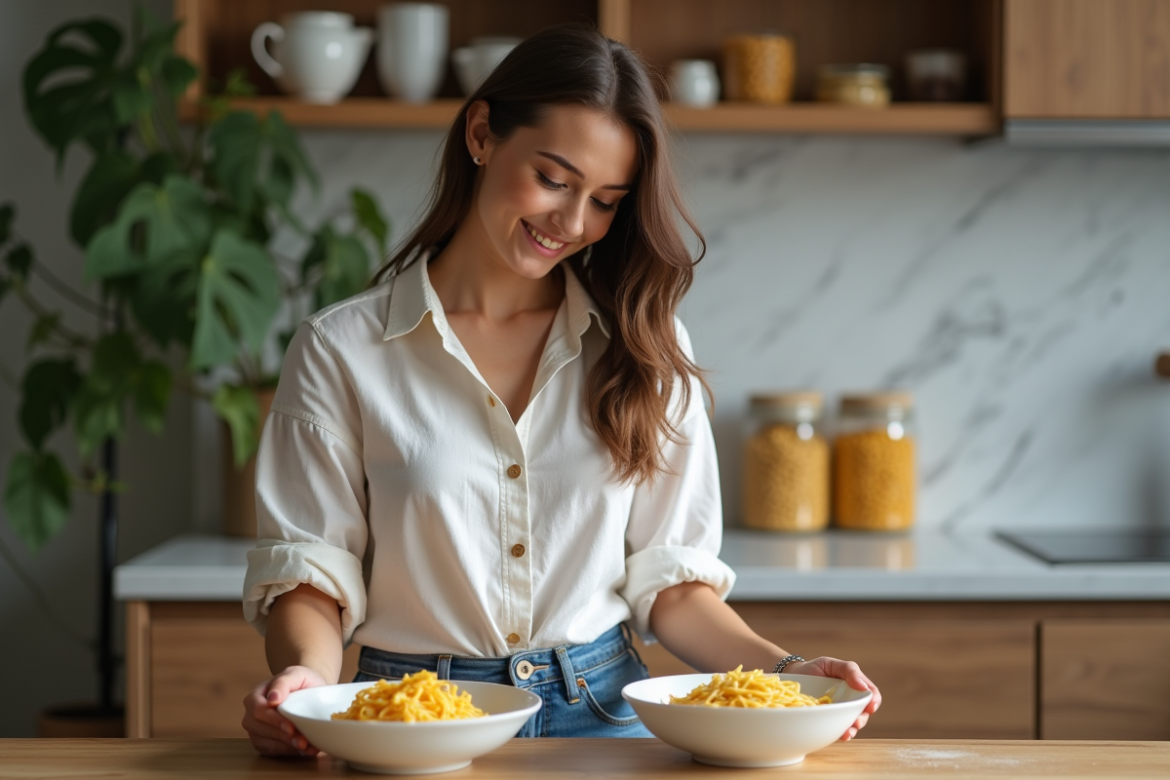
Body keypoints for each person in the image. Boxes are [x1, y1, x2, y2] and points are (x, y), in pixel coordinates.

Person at [241, 24, 881, 756]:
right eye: (553, 179)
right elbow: (311, 575)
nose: (574, 224)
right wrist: (305, 683)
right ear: (482, 134)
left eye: (607, 200)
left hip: (604, 717)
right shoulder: (341, 349)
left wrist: (792, 674)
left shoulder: (645, 344)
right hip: (410, 722)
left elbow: (673, 590)